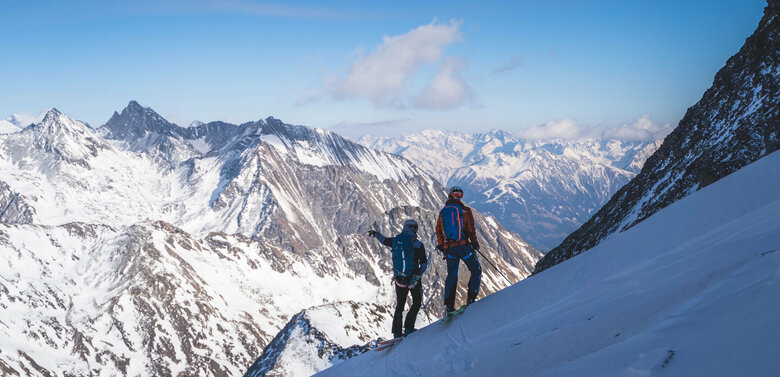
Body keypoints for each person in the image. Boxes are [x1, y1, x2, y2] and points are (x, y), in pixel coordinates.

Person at [368, 219, 428, 339]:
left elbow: (384, 240)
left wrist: (375, 234)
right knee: (416, 302)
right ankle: (409, 328)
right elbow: (424, 264)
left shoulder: (395, 241)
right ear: (415, 229)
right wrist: (417, 276)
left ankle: (396, 333)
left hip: (399, 279)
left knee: (400, 305)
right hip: (413, 279)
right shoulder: (418, 244)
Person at [436, 186, 482, 315]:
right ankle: (471, 299)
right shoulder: (465, 210)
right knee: (476, 270)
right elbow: (470, 229)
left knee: (452, 275)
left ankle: (449, 306)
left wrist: (442, 245)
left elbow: (438, 230)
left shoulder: (443, 212)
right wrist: (474, 243)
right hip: (463, 247)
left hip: (450, 250)